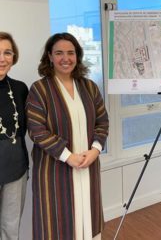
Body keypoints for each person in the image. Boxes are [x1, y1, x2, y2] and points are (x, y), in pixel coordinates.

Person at [26, 32, 109, 240]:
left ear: (77, 56)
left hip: (88, 165)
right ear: (50, 56)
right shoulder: (40, 89)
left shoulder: (89, 87)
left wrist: (95, 150)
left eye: (71, 53)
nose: (66, 58)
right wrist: (67, 156)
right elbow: (36, 129)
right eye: (59, 53)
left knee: (88, 219)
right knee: (56, 223)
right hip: (54, 169)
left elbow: (102, 121)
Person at [0, 32, 29, 240]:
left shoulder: (20, 89)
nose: (2, 59)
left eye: (7, 52)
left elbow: (25, 129)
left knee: (11, 227)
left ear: (14, 56)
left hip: (16, 167)